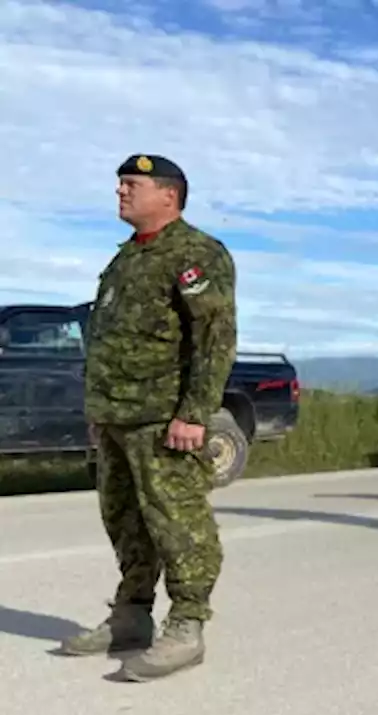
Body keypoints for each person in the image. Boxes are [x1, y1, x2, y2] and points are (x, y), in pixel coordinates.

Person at [57, 154, 236, 682]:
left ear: (168, 195)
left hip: (163, 418)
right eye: (119, 184)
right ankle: (131, 615)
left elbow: (215, 338)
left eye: (131, 184)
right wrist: (100, 412)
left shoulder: (195, 252)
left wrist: (194, 413)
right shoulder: (126, 259)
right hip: (117, 416)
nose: (120, 191)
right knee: (125, 520)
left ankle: (187, 623)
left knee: (177, 522)